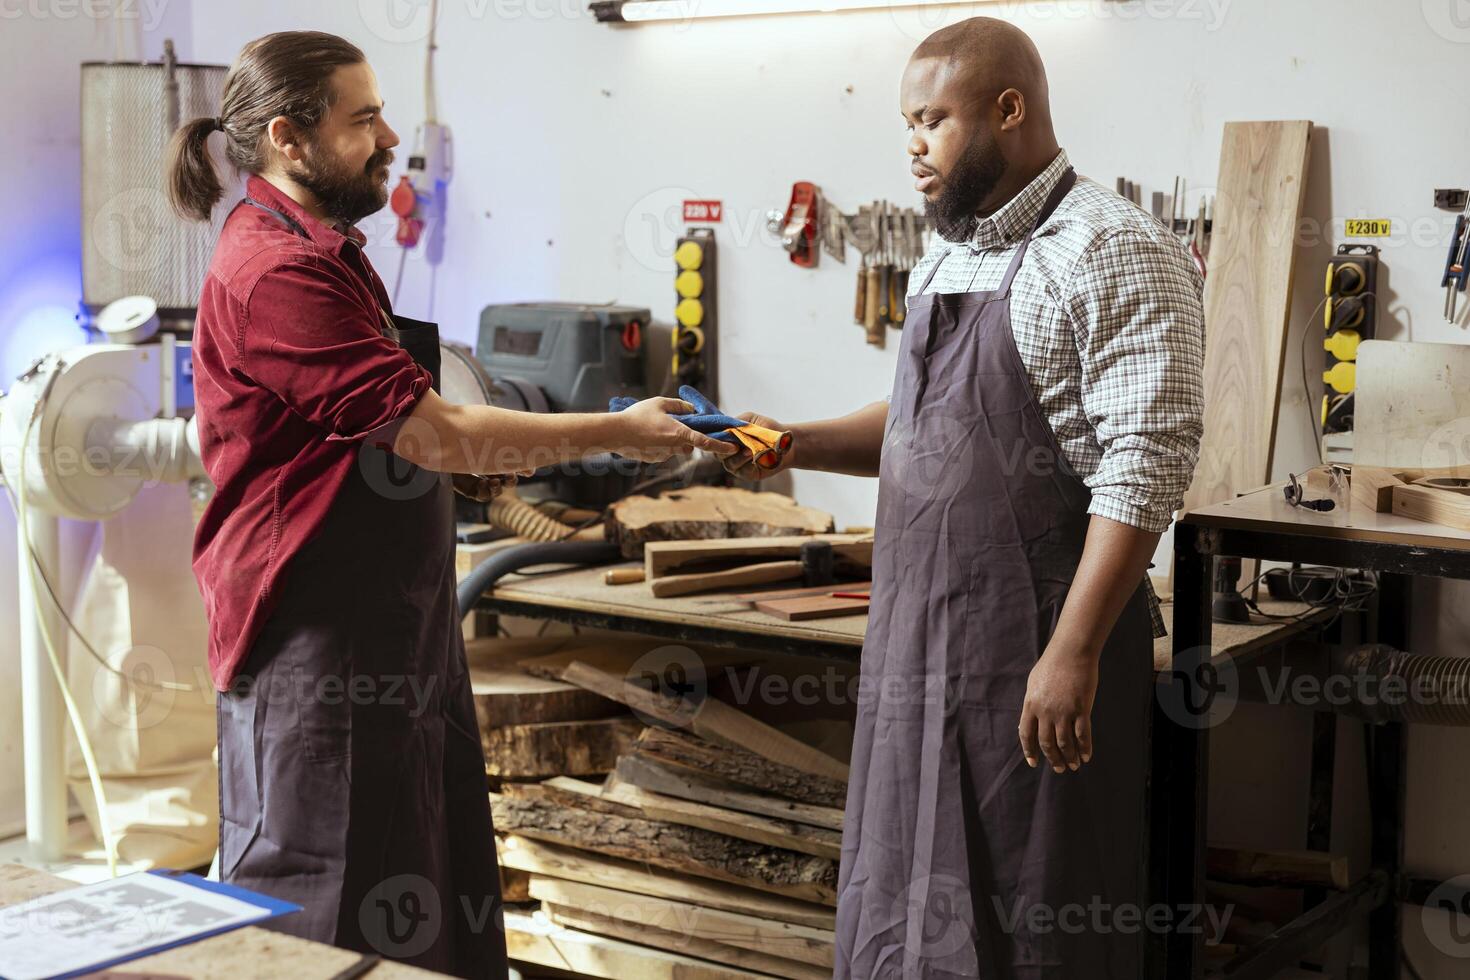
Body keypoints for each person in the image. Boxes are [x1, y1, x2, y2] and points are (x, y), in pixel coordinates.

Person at [169, 31, 734, 978]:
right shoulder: (277, 270)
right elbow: (439, 434)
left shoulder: (328, 252)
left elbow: (388, 438)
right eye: (362, 119)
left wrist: (465, 466)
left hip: (394, 625)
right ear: (288, 139)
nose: (389, 135)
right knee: (325, 916)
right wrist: (624, 432)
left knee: (428, 884)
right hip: (315, 640)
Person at [725, 17, 1206, 978]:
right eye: (907, 123)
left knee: (1037, 913)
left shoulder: (1112, 248)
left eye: (932, 121)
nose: (911, 146)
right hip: (916, 646)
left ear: (1009, 109)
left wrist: (1071, 652)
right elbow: (913, 423)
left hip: (1033, 655)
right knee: (902, 904)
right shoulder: (952, 252)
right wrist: (791, 442)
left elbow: (1145, 464)